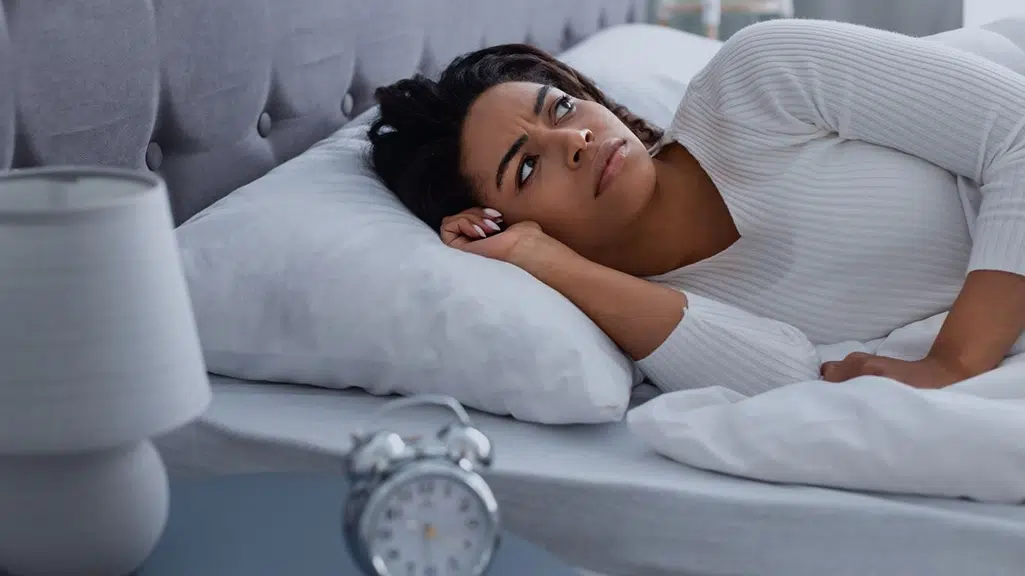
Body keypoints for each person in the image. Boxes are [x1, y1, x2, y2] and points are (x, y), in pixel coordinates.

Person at [367, 18, 1025, 395]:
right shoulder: (636, 312)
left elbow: (1017, 131)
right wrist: (540, 261)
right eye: (528, 167)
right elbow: (793, 380)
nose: (575, 141)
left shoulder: (757, 76)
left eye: (561, 109)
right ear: (506, 222)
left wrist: (955, 363)